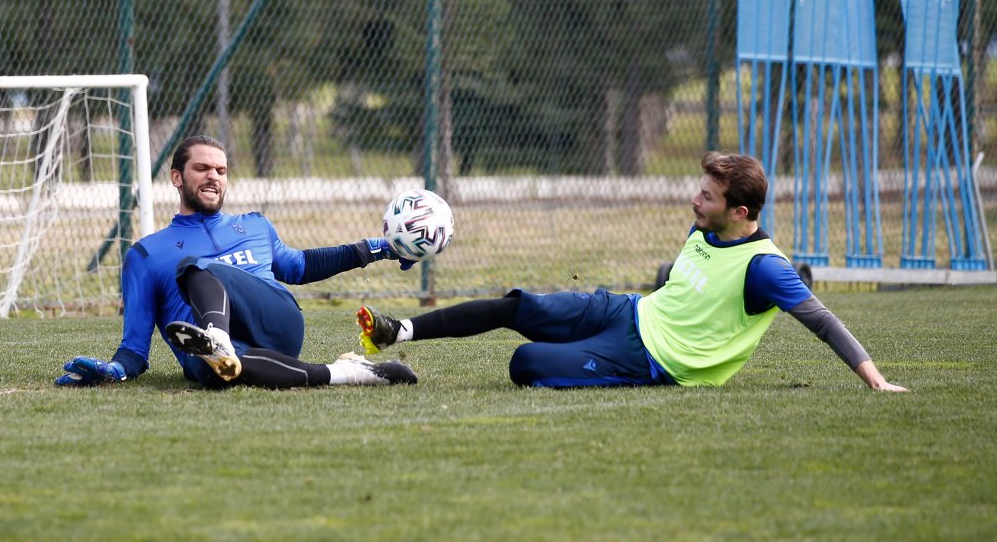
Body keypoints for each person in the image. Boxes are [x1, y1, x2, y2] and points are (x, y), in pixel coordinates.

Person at [357, 152, 908, 392]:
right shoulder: (705, 230)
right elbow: (684, 285)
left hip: (647, 358)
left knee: (525, 364)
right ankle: (399, 331)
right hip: (628, 310)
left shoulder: (765, 269)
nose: (695, 199)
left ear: (741, 212)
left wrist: (877, 382)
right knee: (519, 306)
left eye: (707, 195)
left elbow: (824, 322)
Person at [57, 134, 417, 390]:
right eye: (203, 168)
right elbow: (135, 349)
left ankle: (217, 339)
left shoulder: (254, 225)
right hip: (229, 357)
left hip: (277, 322)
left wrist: (378, 248)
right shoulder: (145, 254)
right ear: (177, 178)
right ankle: (348, 373)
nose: (214, 175)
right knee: (211, 369)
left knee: (194, 267)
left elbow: (300, 266)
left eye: (221, 170)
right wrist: (114, 371)